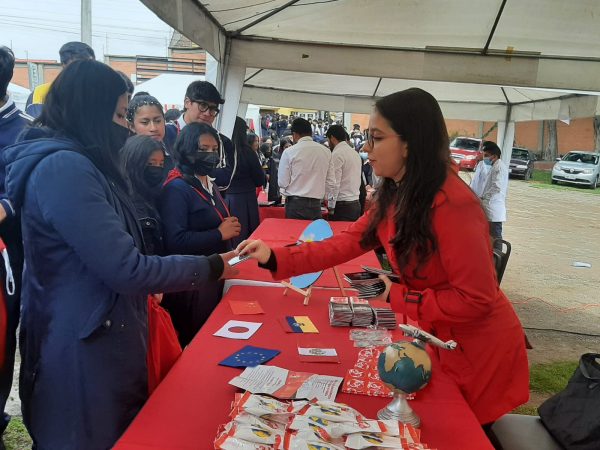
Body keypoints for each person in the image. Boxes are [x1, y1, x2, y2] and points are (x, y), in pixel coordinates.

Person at [237, 88, 529, 434]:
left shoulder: (455, 206)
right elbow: (346, 242)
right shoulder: (395, 193)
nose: (366, 148)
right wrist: (276, 257)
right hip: (440, 340)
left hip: (478, 353)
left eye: (376, 138)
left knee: (459, 433)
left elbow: (476, 299)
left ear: (409, 143)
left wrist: (397, 295)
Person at [1, 59, 237, 449]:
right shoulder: (65, 169)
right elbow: (125, 267)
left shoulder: (86, 164)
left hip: (98, 333)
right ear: (91, 111)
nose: (127, 126)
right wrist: (211, 266)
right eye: (120, 114)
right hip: (82, 347)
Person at [160, 122, 241, 347]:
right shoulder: (176, 189)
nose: (211, 155)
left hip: (215, 274)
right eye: (203, 149)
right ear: (187, 150)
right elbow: (174, 241)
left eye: (214, 149)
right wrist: (218, 233)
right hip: (193, 284)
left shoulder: (208, 183)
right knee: (197, 341)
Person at [0, 45, 31, 442]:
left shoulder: (24, 130)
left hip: (8, 254)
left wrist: (6, 206)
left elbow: (23, 192)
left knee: (3, 333)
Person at [176, 80, 235, 191]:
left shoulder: (219, 139)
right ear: (187, 103)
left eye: (213, 109)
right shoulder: (166, 133)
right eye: (203, 105)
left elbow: (225, 178)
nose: (207, 113)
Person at [121, 134, 167, 255]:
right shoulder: (127, 200)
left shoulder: (155, 194)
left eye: (161, 164)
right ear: (134, 162)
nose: (157, 169)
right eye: (151, 164)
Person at [278, 118, 331, 220]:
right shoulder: (326, 151)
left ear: (295, 134)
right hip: (316, 204)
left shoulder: (289, 152)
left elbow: (282, 183)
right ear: (310, 133)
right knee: (312, 235)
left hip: (295, 204)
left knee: (294, 235)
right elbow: (331, 181)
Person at [25, 41, 95, 117]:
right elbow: (36, 125)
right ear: (64, 66)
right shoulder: (42, 92)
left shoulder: (100, 93)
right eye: (75, 66)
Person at [225, 118, 265, 246]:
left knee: (231, 238)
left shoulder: (222, 151)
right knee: (248, 237)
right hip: (247, 198)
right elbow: (259, 180)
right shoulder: (248, 152)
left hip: (227, 199)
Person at [126, 94, 174, 172]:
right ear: (132, 126)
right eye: (145, 122)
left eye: (158, 121)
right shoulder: (126, 160)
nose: (153, 128)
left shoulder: (172, 151)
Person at [325, 124, 362, 221]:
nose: (328, 143)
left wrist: (331, 206)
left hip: (342, 205)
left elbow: (334, 182)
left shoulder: (337, 154)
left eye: (328, 140)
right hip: (355, 202)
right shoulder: (354, 153)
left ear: (332, 138)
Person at [479, 141, 508, 244]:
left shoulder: (499, 168)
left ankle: (498, 259)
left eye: (486, 155)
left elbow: (497, 186)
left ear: (494, 156)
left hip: (494, 209)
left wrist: (484, 197)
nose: (484, 158)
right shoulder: (494, 166)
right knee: (490, 236)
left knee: (496, 238)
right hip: (490, 208)